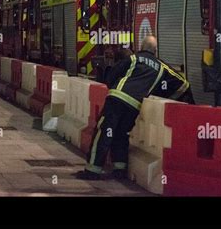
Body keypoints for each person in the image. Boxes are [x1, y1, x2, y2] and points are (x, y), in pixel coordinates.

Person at [76, 35, 195, 180]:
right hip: (134, 106)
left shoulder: (133, 58)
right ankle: (119, 170)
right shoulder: (161, 67)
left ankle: (93, 170)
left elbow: (112, 75)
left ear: (141, 47)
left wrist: (114, 88)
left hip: (117, 99)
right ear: (155, 51)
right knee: (121, 134)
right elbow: (184, 84)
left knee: (104, 132)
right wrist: (174, 99)